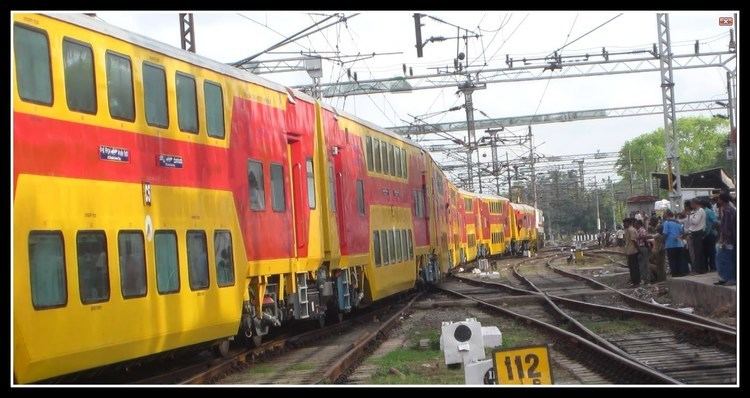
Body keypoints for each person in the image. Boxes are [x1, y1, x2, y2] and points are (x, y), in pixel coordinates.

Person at [715, 192, 736, 286]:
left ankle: (730, 278)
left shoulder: (728, 211)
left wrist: (723, 239)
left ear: (722, 200)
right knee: (724, 258)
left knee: (725, 259)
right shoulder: (727, 209)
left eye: (719, 199)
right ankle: (726, 277)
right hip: (728, 239)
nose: (717, 200)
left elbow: (727, 228)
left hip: (728, 240)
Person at [683, 198, 707, 274]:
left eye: (691, 204)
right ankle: (699, 269)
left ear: (695, 203)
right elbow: (689, 222)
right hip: (693, 232)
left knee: (698, 252)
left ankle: (700, 269)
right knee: (695, 252)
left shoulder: (700, 211)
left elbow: (695, 222)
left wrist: (690, 216)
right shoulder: (695, 211)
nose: (690, 206)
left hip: (698, 232)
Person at [662, 210, 688, 277]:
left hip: (670, 244)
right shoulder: (678, 223)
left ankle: (675, 273)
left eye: (664, 214)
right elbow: (683, 232)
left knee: (672, 260)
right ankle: (681, 272)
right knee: (679, 259)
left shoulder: (666, 223)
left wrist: (663, 242)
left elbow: (665, 233)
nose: (663, 215)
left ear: (667, 215)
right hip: (679, 244)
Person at [702, 199, 718, 272]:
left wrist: (711, 228)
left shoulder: (708, 211)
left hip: (710, 234)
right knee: (708, 251)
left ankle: (711, 267)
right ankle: (709, 267)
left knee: (710, 251)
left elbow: (715, 221)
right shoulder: (704, 212)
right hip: (707, 234)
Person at [623, 218, 640, 286]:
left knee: (634, 267)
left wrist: (638, 249)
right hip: (629, 251)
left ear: (628, 223)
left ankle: (636, 282)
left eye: (625, 223)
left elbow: (634, 241)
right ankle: (634, 281)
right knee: (632, 267)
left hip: (633, 251)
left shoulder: (631, 230)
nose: (624, 224)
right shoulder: (627, 230)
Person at [635, 219, 652, 284]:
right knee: (642, 264)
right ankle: (644, 279)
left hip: (643, 247)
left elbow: (645, 238)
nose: (635, 225)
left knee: (644, 264)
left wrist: (647, 246)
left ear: (639, 224)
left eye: (636, 224)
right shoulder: (638, 231)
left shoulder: (642, 230)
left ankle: (646, 280)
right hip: (640, 248)